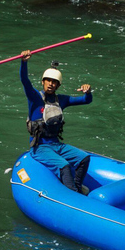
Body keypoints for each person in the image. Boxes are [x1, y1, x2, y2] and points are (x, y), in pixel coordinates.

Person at [20, 50, 92, 193]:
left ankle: (76, 188)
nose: (51, 84)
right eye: (48, 81)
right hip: (39, 147)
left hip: (57, 145)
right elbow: (25, 81)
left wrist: (88, 92)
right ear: (43, 82)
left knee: (84, 158)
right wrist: (24, 62)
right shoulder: (35, 98)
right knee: (64, 166)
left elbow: (86, 100)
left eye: (55, 82)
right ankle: (72, 196)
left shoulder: (62, 100)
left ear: (58, 86)